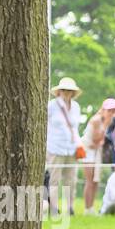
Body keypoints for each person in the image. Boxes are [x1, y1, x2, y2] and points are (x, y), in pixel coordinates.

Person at [45, 77, 82, 221]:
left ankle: (70, 207)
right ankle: (54, 207)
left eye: (69, 91)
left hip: (71, 147)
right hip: (55, 147)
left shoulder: (76, 107)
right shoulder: (51, 106)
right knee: (54, 179)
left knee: (71, 179)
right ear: (59, 91)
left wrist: (79, 145)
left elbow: (75, 128)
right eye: (64, 90)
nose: (66, 93)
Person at [80, 98, 115, 212]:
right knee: (89, 180)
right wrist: (106, 124)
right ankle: (87, 208)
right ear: (103, 110)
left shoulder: (108, 121)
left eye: (113, 111)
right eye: (109, 110)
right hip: (87, 152)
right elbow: (96, 139)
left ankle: (91, 207)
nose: (111, 113)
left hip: (96, 152)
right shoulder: (97, 120)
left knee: (96, 181)